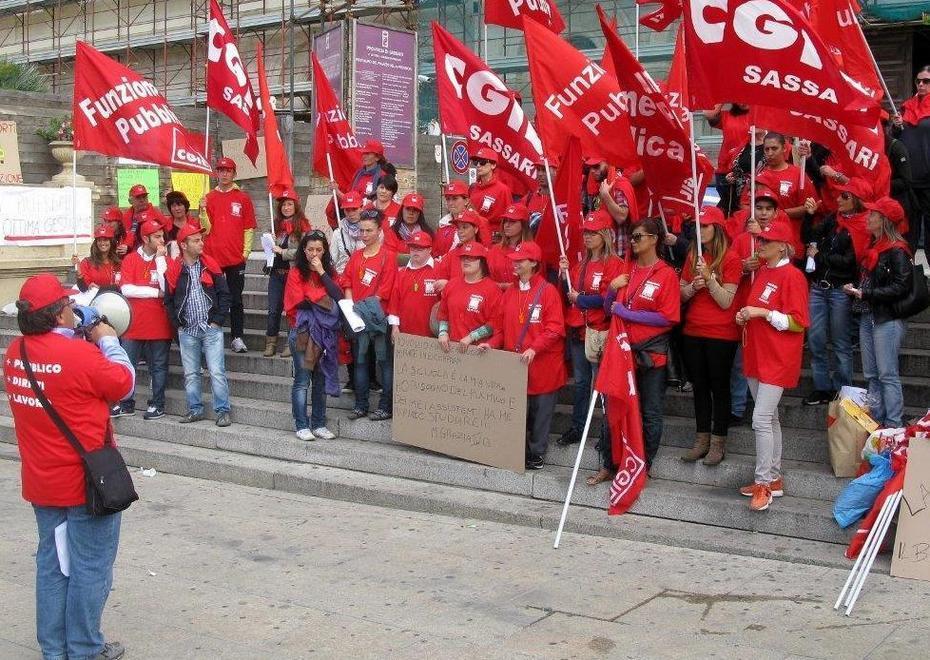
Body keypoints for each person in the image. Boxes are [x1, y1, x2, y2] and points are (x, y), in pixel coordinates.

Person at [4, 273, 134, 660]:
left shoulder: (16, 352)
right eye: (67, 305)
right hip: (86, 483)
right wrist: (107, 338)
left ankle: (54, 649)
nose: (72, 308)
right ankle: (83, 649)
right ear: (59, 315)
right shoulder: (81, 355)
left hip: (43, 480)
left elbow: (60, 374)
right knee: (90, 568)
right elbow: (124, 383)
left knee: (51, 566)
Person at [736, 220, 810, 512]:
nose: (760, 244)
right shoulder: (764, 272)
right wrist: (747, 315)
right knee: (770, 419)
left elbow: (797, 322)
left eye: (766, 241)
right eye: (760, 240)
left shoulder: (792, 277)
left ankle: (764, 482)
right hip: (758, 354)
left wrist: (762, 313)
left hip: (777, 358)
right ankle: (773, 478)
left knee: (761, 419)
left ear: (782, 245)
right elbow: (762, 312)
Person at [605, 218, 681, 472]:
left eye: (638, 236)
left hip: (651, 354)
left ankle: (644, 465)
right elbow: (610, 310)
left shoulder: (666, 273)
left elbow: (668, 318)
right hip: (624, 353)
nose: (633, 242)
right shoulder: (628, 270)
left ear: (653, 239)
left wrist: (628, 314)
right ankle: (612, 461)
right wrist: (610, 291)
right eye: (632, 237)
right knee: (618, 407)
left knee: (650, 411)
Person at [488, 241, 565, 469]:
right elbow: (499, 328)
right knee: (519, 412)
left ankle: (537, 453)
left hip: (543, 366)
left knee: (541, 414)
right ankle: (518, 451)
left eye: (520, 260)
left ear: (533, 263)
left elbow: (555, 328)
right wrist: (491, 344)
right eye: (514, 260)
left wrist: (535, 347)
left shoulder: (548, 291)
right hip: (517, 366)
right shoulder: (510, 292)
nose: (515, 263)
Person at [557, 211, 622, 479]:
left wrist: (581, 299)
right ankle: (578, 426)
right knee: (582, 383)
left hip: (600, 330)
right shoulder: (580, 263)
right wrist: (564, 276)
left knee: (603, 386)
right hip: (578, 328)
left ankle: (607, 437)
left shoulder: (614, 263)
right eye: (585, 232)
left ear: (605, 235)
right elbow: (569, 294)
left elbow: (608, 297)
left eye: (593, 232)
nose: (587, 236)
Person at [679, 207, 742, 465]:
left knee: (719, 386)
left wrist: (710, 280)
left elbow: (727, 301)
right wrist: (694, 287)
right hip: (693, 329)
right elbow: (681, 294)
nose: (701, 230)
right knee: (700, 387)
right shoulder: (693, 254)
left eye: (705, 226)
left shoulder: (732, 259)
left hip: (721, 333)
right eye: (698, 226)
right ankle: (701, 438)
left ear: (717, 228)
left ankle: (718, 441)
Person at [800, 178, 872, 406]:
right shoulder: (833, 218)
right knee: (815, 338)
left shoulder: (863, 225)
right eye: (839, 195)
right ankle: (822, 388)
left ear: (856, 200)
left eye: (845, 196)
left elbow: (850, 263)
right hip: (820, 287)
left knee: (841, 342)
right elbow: (809, 237)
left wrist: (818, 254)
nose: (838, 199)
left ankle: (843, 390)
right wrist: (810, 215)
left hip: (840, 290)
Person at [844, 197, 913, 428]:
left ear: (883, 221)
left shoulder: (897, 250)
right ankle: (877, 419)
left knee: (886, 374)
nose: (868, 217)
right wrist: (857, 290)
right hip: (869, 316)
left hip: (887, 318)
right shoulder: (875, 246)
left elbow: (902, 286)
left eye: (873, 214)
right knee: (872, 374)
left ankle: (893, 423)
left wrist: (866, 293)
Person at [163, 223, 232, 427]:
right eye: (196, 240)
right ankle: (195, 409)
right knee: (191, 373)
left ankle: (223, 411)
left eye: (201, 239)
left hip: (210, 328)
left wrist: (217, 320)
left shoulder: (210, 264)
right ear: (183, 245)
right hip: (188, 330)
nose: (201, 243)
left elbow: (225, 294)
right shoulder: (174, 268)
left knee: (217, 371)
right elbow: (168, 300)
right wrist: (178, 324)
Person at [284, 231, 343, 441]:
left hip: (325, 334)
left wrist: (321, 273)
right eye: (310, 249)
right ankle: (301, 424)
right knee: (302, 380)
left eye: (318, 249)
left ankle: (318, 423)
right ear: (303, 250)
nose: (314, 253)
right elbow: (298, 302)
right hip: (302, 333)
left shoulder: (329, 271)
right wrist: (323, 301)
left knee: (320, 379)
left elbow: (338, 297)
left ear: (325, 250)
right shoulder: (296, 273)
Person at [341, 209, 397, 421]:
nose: (364, 234)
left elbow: (384, 291)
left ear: (379, 231)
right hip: (358, 320)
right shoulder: (356, 256)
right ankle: (361, 404)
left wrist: (359, 310)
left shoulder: (388, 256)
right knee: (361, 362)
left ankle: (385, 406)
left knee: (384, 363)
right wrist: (351, 308)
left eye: (369, 230)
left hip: (379, 319)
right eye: (361, 230)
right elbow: (346, 282)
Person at [115, 219, 172, 420]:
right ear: (145, 238)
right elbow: (126, 289)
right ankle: (126, 402)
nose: (161, 240)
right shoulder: (130, 259)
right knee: (128, 364)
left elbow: (167, 288)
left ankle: (157, 404)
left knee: (158, 366)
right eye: (157, 237)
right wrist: (155, 294)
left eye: (162, 236)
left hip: (159, 323)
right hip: (133, 323)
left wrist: (160, 260)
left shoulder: (164, 259)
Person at [202, 157, 257, 353]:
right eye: (221, 170)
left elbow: (249, 227)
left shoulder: (242, 198)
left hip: (235, 259)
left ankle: (237, 337)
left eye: (228, 170)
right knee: (211, 298)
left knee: (236, 299)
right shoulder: (208, 197)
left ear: (234, 173)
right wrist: (202, 210)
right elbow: (205, 229)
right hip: (213, 258)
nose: (224, 174)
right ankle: (210, 335)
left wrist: (245, 253)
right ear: (216, 173)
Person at [264, 188, 310, 357]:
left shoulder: (303, 225)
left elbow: (303, 251)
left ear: (296, 205)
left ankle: (291, 343)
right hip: (276, 273)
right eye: (283, 205)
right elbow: (270, 248)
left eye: (289, 204)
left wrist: (282, 252)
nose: (286, 207)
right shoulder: (275, 224)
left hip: (293, 274)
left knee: (291, 309)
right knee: (273, 309)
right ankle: (271, 342)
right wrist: (268, 241)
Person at [437, 241, 502, 352]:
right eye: (463, 257)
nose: (466, 260)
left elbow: (494, 324)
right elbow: (443, 314)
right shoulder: (452, 284)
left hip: (478, 351)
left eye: (471, 258)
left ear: (482, 262)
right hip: (451, 349)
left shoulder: (492, 289)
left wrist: (472, 336)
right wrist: (442, 332)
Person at [892, 65, 930, 248]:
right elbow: (898, 139)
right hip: (909, 179)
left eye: (926, 81)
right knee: (909, 230)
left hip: (928, 179)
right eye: (918, 81)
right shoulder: (906, 107)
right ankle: (909, 269)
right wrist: (897, 126)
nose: (921, 84)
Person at [387, 232, 440, 339]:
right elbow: (394, 303)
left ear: (429, 249)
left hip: (433, 335)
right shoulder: (401, 273)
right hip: (405, 333)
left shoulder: (440, 269)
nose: (415, 252)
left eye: (420, 249)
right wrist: (394, 327)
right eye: (412, 248)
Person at [705, 103, 752, 215]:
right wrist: (722, 98)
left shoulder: (758, 113)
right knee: (728, 207)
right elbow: (709, 114)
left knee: (742, 209)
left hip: (748, 170)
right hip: (725, 168)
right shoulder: (727, 114)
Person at [434, 210, 487, 288]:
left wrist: (449, 284)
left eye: (465, 227)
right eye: (458, 228)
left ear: (475, 229)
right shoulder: (450, 255)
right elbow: (440, 281)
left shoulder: (485, 254)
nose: (460, 231)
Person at [469, 147, 512, 236]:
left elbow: (509, 220)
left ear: (493, 165)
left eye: (483, 162)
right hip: (473, 238)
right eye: (476, 162)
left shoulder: (503, 190)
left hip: (493, 239)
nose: (478, 165)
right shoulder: (473, 188)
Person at [488, 203, 532, 288]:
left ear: (523, 225)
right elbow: (485, 278)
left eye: (512, 221)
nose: (507, 225)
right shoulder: (494, 249)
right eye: (505, 221)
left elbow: (536, 283)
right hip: (496, 297)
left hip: (521, 298)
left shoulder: (532, 250)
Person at [72, 224, 121, 292]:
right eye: (99, 240)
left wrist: (99, 288)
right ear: (96, 243)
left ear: (111, 242)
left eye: (105, 240)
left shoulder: (118, 263)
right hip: (93, 300)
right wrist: (79, 272)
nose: (102, 243)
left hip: (114, 300)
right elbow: (83, 289)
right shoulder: (86, 262)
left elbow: (119, 287)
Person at [329, 190, 365, 275]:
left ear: (361, 208)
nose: (351, 213)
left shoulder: (370, 230)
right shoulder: (338, 233)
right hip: (343, 276)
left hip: (365, 276)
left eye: (354, 209)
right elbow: (333, 259)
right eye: (347, 210)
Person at [434, 181, 471, 257]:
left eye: (455, 199)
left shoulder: (477, 222)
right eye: (448, 199)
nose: (450, 203)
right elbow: (435, 252)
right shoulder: (443, 224)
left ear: (466, 201)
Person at [122, 183, 165, 248]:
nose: (142, 200)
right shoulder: (126, 217)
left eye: (144, 197)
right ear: (130, 201)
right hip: (132, 251)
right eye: (138, 197)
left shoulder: (156, 213)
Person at [163, 191, 202, 256]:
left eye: (179, 205)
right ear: (170, 209)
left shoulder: (195, 224)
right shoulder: (165, 226)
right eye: (173, 206)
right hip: (172, 261)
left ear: (185, 206)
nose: (177, 208)